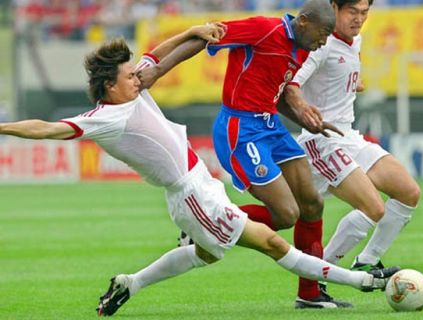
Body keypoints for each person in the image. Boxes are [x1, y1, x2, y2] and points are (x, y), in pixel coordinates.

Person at [0, 26, 400, 316]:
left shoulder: (133, 89)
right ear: (110, 86)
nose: (136, 77)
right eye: (127, 76)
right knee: (273, 243)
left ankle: (131, 282)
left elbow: (155, 56)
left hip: (198, 184)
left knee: (206, 255)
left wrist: (191, 31)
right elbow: (48, 128)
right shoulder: (105, 117)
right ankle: (362, 281)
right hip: (190, 194)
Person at [139, 0, 353, 308]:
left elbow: (274, 94)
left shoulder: (304, 47)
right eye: (324, 32)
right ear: (304, 21)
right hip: (241, 130)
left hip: (271, 126)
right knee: (286, 215)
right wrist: (157, 71)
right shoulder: (264, 29)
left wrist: (304, 119)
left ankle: (309, 294)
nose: (325, 41)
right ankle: (203, 228)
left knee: (312, 203)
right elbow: (206, 36)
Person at [284, 0, 420, 279]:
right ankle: (320, 277)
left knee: (408, 192)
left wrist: (352, 83)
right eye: (352, 12)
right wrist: (304, 108)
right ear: (334, 9)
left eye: (364, 13)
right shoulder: (320, 45)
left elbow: (337, 75)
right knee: (369, 207)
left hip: (349, 137)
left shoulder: (354, 40)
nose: (359, 19)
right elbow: (292, 84)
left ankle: (366, 260)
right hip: (322, 140)